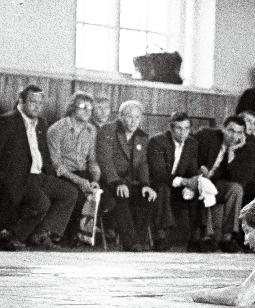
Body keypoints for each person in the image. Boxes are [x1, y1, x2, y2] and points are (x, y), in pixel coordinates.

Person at [0, 84, 78, 250]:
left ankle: (41, 234)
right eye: (32, 102)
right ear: (21, 101)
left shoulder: (41, 123)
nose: (37, 106)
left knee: (69, 192)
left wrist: (50, 173)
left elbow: (43, 152)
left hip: (39, 175)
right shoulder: (7, 121)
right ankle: (14, 236)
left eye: (40, 103)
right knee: (41, 203)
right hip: (18, 178)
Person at [96, 99, 157, 251]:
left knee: (147, 196)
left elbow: (143, 163)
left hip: (130, 182)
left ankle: (140, 241)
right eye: (129, 116)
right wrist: (117, 183)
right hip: (109, 182)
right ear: (120, 116)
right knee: (121, 194)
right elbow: (105, 160)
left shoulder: (142, 136)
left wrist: (145, 185)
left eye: (137, 117)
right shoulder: (107, 130)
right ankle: (131, 242)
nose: (133, 121)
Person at [46, 90, 102, 246]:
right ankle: (66, 236)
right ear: (72, 107)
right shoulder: (57, 129)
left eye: (90, 108)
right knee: (77, 195)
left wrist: (95, 180)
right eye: (83, 107)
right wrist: (79, 181)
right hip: (62, 173)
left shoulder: (91, 130)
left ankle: (80, 235)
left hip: (82, 173)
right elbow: (56, 164)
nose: (87, 111)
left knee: (99, 196)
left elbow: (92, 160)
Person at [194, 115, 255, 252]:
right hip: (197, 179)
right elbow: (188, 149)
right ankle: (207, 238)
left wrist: (231, 153)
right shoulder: (207, 135)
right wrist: (198, 166)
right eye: (231, 130)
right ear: (223, 129)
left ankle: (227, 238)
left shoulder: (244, 148)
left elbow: (238, 179)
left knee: (236, 189)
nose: (234, 136)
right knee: (204, 186)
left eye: (239, 132)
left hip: (216, 184)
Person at [147, 111, 205, 251]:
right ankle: (161, 236)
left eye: (186, 128)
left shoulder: (191, 143)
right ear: (171, 128)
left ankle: (196, 238)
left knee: (199, 188)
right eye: (179, 128)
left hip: (179, 184)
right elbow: (159, 173)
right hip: (158, 183)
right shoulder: (157, 141)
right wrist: (184, 182)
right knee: (163, 188)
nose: (183, 132)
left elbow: (191, 170)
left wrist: (195, 178)